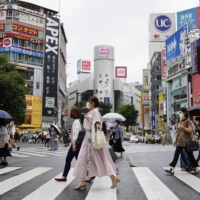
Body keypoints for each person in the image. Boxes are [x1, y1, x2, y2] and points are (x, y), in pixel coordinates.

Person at [73, 96, 118, 190]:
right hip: (87, 137)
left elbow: (98, 125)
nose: (87, 103)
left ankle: (113, 177)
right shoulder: (90, 112)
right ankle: (82, 181)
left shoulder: (96, 112)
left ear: (93, 103)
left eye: (88, 101)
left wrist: (88, 119)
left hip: (93, 138)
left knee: (100, 159)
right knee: (83, 158)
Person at [165, 107, 198, 175]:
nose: (180, 114)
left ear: (185, 112)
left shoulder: (188, 121)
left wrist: (183, 127)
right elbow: (179, 128)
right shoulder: (180, 120)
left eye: (181, 112)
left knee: (190, 155)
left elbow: (190, 130)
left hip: (186, 141)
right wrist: (175, 125)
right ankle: (172, 168)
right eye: (179, 112)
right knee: (176, 154)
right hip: (180, 141)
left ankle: (194, 167)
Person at [55, 106, 82, 182]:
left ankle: (85, 177)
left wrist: (74, 144)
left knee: (77, 161)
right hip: (75, 144)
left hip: (75, 144)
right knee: (69, 160)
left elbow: (76, 133)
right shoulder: (77, 121)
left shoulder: (76, 121)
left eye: (71, 112)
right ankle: (64, 176)